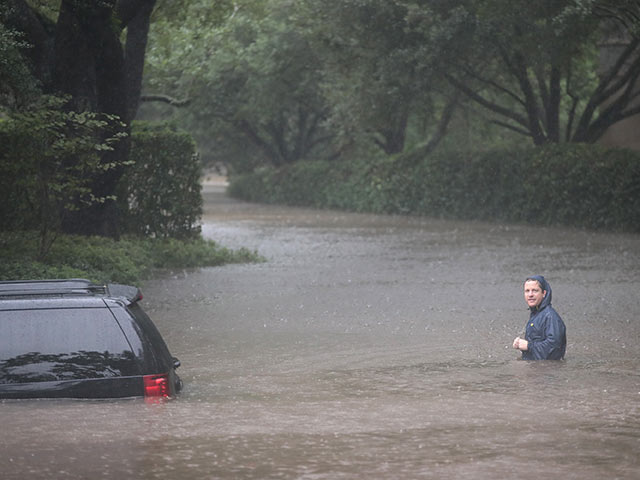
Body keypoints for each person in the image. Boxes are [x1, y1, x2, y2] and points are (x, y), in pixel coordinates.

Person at [513, 275, 566, 360]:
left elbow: (554, 349)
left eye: (535, 291)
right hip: (535, 368)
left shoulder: (550, 316)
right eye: (527, 291)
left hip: (547, 371)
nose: (530, 294)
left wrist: (528, 346)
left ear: (544, 293)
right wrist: (520, 345)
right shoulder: (536, 314)